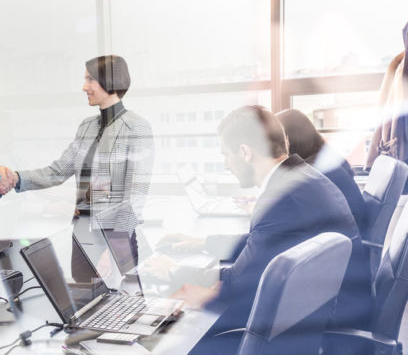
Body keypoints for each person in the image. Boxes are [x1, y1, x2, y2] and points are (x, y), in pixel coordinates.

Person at [149, 106, 370, 354]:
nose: (226, 165)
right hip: (329, 310)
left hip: (319, 327)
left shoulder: (282, 197)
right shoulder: (301, 177)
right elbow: (262, 241)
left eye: (226, 155)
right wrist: (200, 243)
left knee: (176, 336)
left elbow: (238, 282)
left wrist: (173, 271)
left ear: (245, 152)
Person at [0, 55, 154, 276]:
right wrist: (16, 178)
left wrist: (116, 246)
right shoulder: (87, 127)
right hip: (82, 233)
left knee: (118, 305)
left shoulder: (136, 127)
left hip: (116, 235)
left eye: (90, 79)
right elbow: (58, 171)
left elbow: (135, 195)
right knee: (81, 301)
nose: (84, 87)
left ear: (109, 81)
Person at [276, 108, 367, 234]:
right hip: (349, 234)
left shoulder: (312, 172)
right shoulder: (324, 158)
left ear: (288, 140)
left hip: (343, 241)